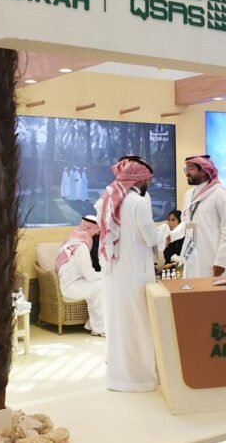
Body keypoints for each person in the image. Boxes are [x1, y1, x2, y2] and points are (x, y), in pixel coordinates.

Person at [98, 156, 160, 391]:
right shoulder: (137, 202)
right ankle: (140, 379)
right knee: (140, 323)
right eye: (148, 180)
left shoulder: (109, 199)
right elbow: (150, 237)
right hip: (136, 273)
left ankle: (118, 376)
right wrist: (168, 232)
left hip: (116, 272)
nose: (148, 183)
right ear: (140, 178)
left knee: (120, 322)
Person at [178, 155, 226, 278]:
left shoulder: (219, 194)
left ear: (204, 171)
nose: (187, 173)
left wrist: (221, 260)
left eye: (191, 169)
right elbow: (186, 222)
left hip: (213, 257)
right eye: (186, 169)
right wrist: (170, 235)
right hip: (192, 255)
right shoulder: (188, 195)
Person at [55, 216, 104, 335]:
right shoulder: (81, 247)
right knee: (102, 286)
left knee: (98, 287)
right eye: (97, 231)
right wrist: (105, 275)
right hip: (71, 287)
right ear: (91, 229)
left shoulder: (72, 240)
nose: (98, 234)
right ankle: (100, 328)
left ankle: (93, 325)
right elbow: (90, 275)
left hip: (72, 284)